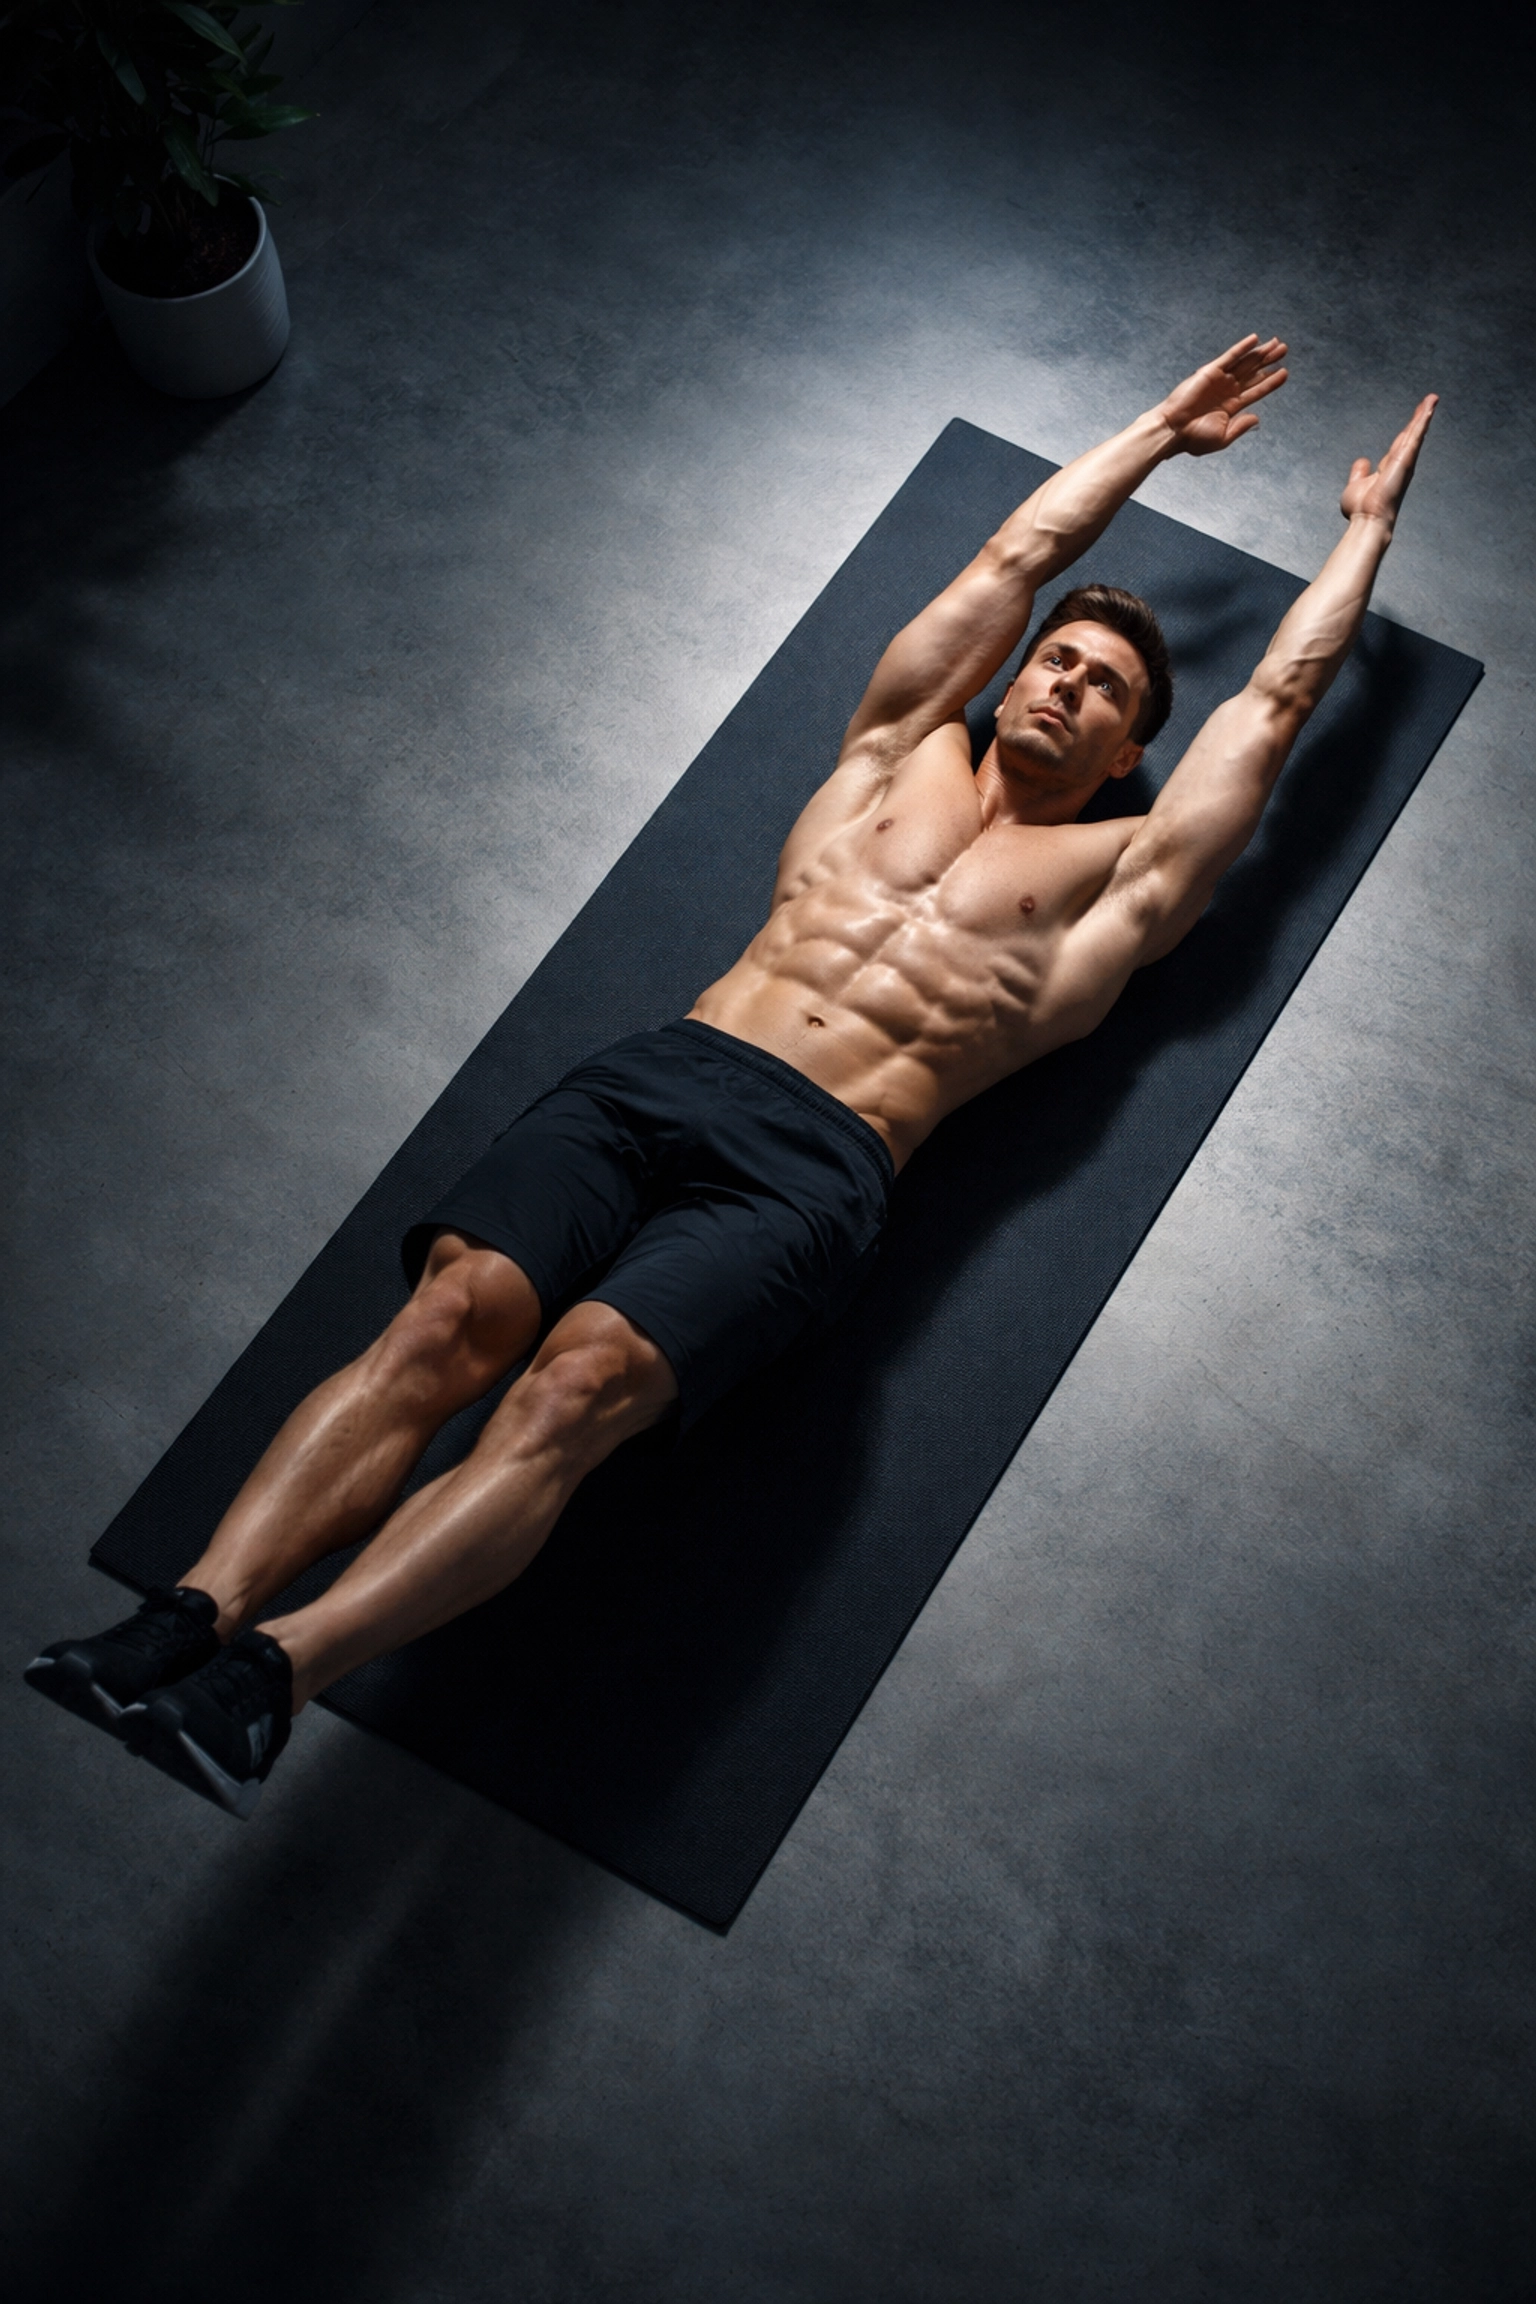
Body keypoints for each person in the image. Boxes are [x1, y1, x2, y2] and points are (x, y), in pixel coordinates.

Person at [27, 339, 1438, 1818]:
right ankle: (178, 1621)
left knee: (569, 1393)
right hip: (666, 1073)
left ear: (1135, 748)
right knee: (442, 1322)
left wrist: (1363, 540)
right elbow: (1018, 548)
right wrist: (1155, 430)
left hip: (817, 1165)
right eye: (1059, 663)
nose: (1068, 685)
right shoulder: (893, 753)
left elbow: (1274, 703)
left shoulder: (1122, 881)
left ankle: (278, 1679)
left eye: (1106, 692)